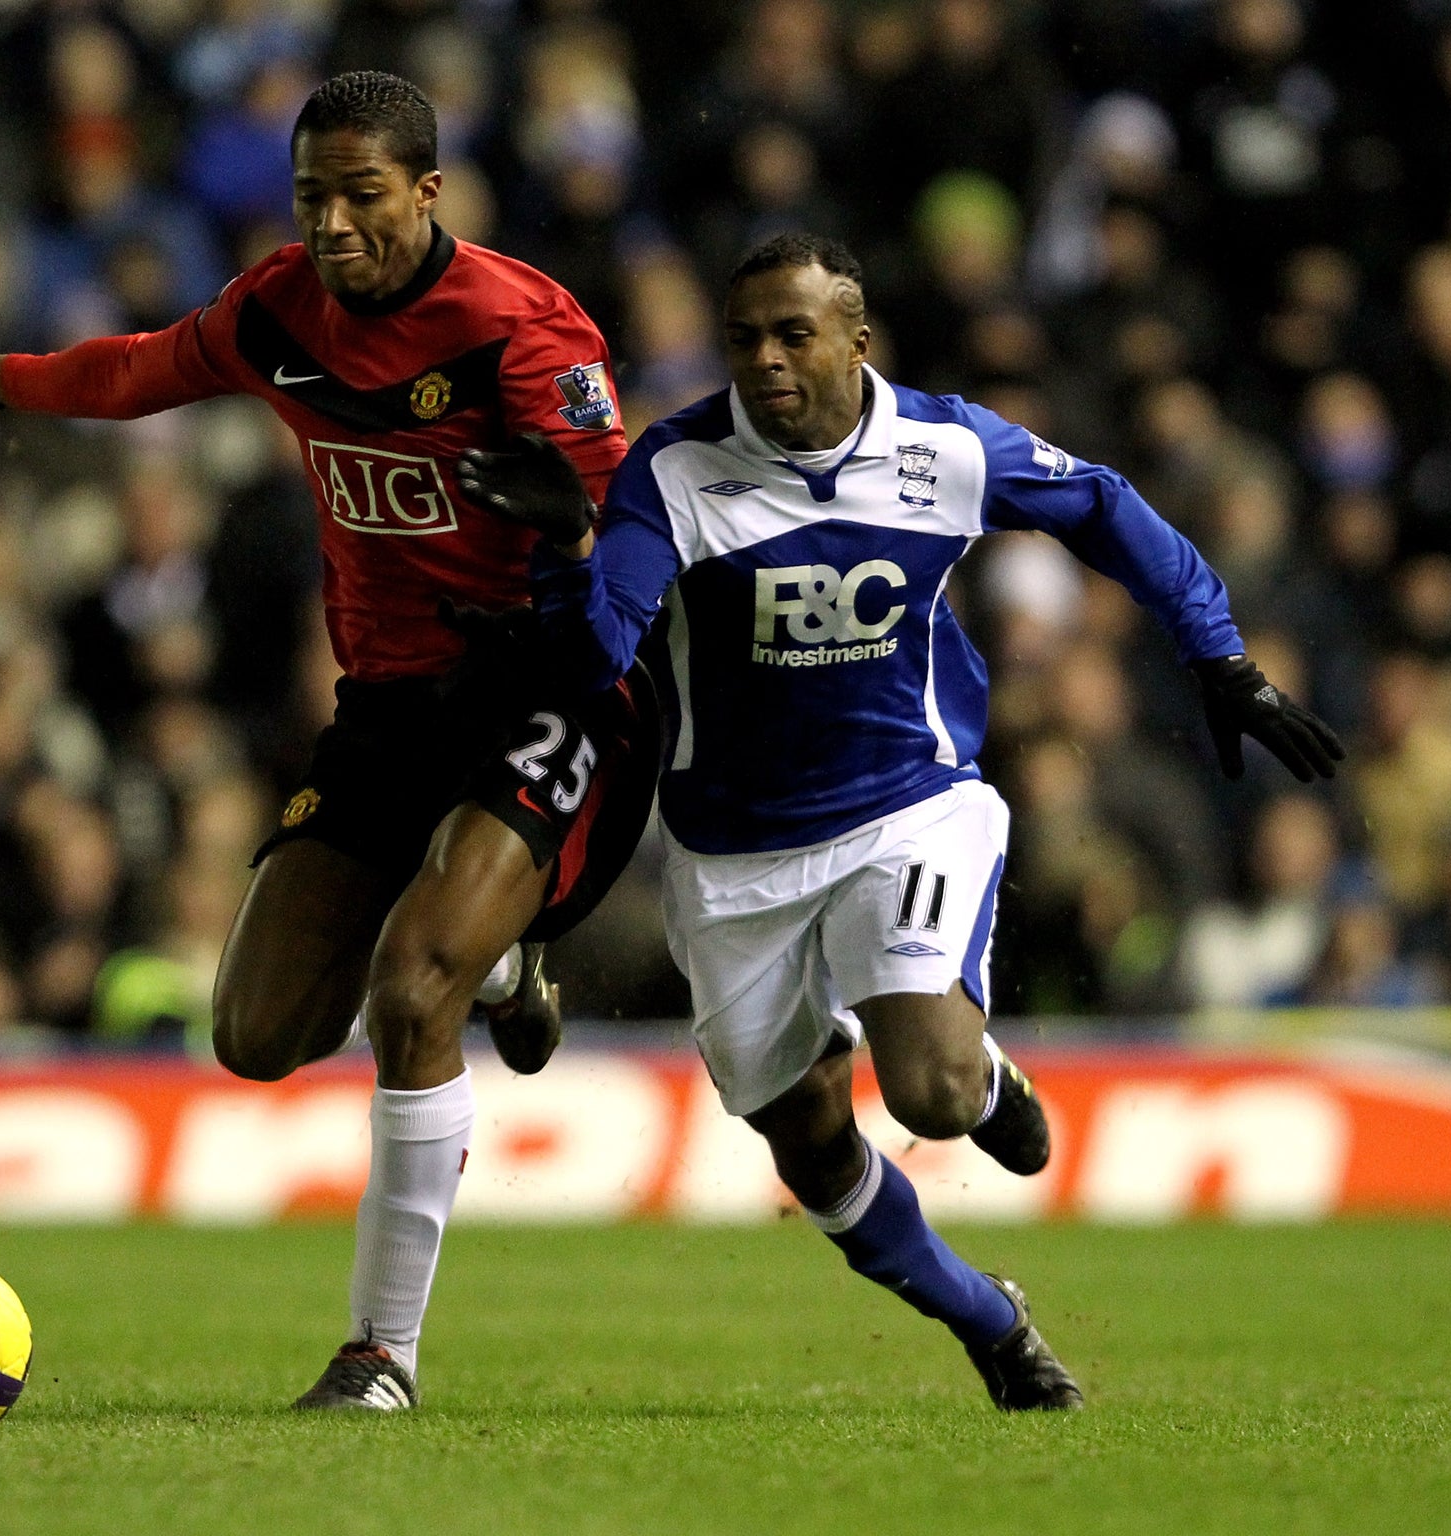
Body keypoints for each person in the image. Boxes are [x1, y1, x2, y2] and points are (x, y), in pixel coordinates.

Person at [460, 233, 1342, 1410]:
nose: (763, 362)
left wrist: (1217, 655)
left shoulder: (945, 445)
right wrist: (564, 550)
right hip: (732, 860)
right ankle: (989, 1320)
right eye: (742, 341)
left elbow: (1102, 505)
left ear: (854, 339)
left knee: (924, 1088)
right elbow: (598, 657)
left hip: (904, 813)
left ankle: (973, 1083)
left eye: (792, 335)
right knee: (812, 1147)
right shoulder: (671, 473)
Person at [0, 71, 659, 1411]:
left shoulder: (520, 326)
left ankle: (382, 1355)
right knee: (256, 1035)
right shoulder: (275, 313)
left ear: (429, 193)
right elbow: (136, 370)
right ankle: (509, 970)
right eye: (311, 196)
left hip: (544, 691)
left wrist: (572, 514)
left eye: (361, 196)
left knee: (412, 988)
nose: (331, 226)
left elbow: (645, 526)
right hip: (385, 710)